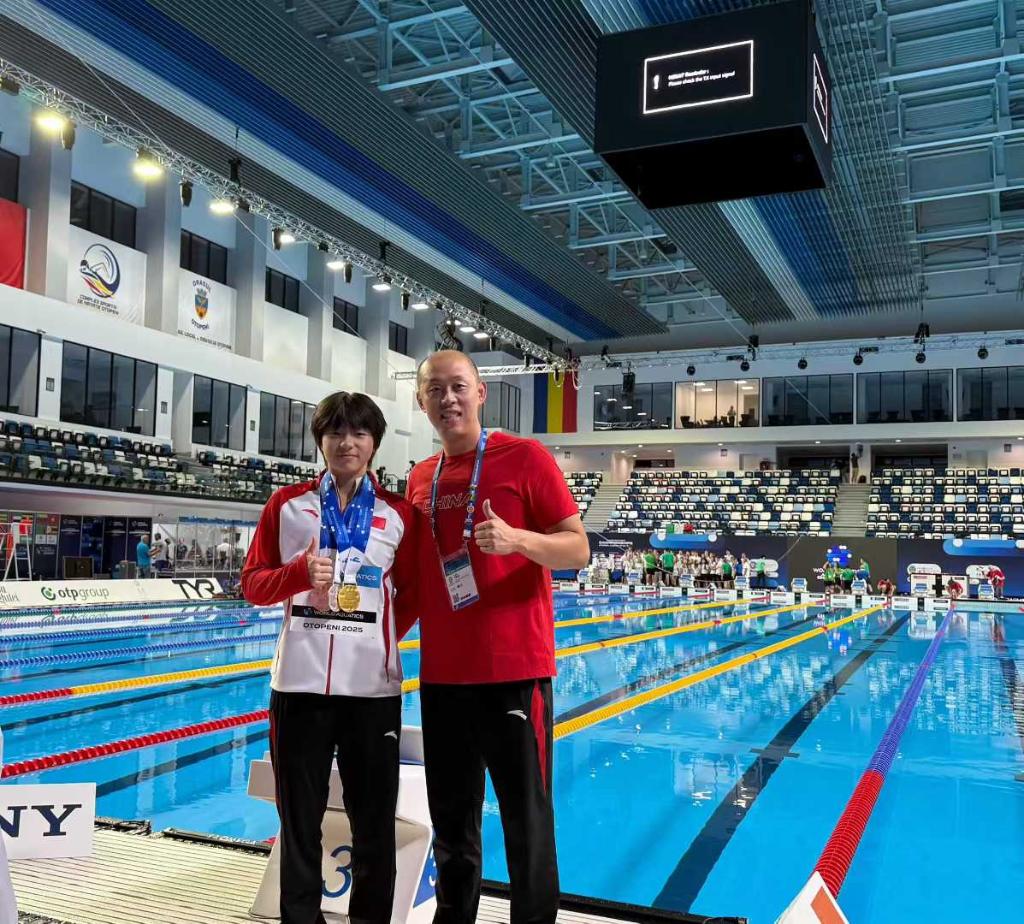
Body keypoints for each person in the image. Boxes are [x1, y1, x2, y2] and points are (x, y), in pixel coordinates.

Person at [407, 350, 588, 924]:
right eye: (435, 389)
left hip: (514, 673)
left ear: (481, 393)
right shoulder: (419, 477)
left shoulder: (526, 458)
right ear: (421, 401)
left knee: (526, 823)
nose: (448, 398)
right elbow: (416, 577)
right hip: (442, 677)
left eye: (459, 386)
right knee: (451, 825)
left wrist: (518, 541)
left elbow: (578, 547)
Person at [241, 391, 422, 924]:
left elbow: (412, 594)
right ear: (320, 441)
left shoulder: (398, 514)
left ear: (374, 443)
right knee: (299, 822)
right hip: (298, 686)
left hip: (371, 691)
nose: (347, 443)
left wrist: (378, 637)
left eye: (359, 433)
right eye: (335, 432)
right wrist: (297, 573)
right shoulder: (286, 505)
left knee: (374, 825)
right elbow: (252, 585)